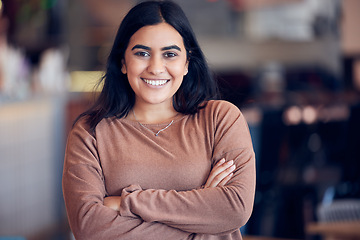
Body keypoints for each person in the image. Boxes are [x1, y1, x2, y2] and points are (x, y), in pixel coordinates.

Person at [62, 1, 256, 239]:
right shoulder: (90, 132)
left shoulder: (221, 119)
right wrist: (201, 212)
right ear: (123, 62)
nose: (155, 67)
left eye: (170, 54)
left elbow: (235, 208)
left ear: (186, 63)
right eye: (142, 53)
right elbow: (88, 227)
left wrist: (128, 202)